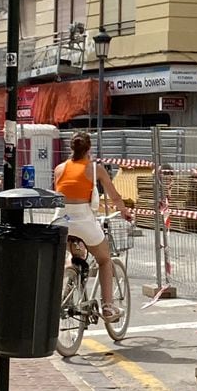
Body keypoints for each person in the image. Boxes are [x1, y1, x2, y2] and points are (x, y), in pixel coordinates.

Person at [55, 131, 124, 322]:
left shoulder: (59, 169)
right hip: (83, 220)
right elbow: (114, 195)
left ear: (71, 148)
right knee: (104, 259)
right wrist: (125, 211)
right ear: (89, 149)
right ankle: (108, 307)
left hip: (61, 221)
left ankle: (67, 291)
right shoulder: (95, 169)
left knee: (74, 255)